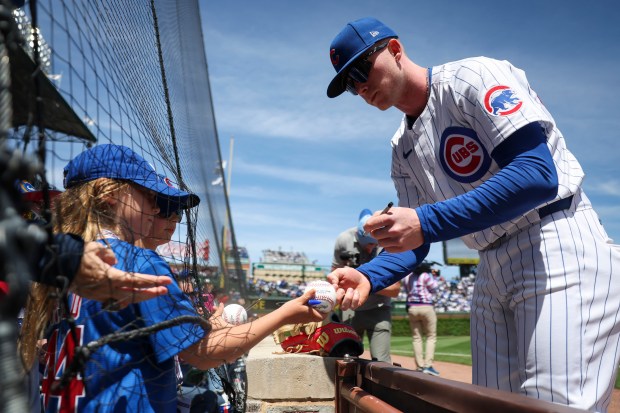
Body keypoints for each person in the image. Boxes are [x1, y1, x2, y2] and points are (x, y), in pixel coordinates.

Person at [325, 17, 620, 411]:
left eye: (362, 69)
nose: (360, 86)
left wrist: (426, 221)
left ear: (395, 50)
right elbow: (415, 243)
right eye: (349, 83)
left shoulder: (472, 77)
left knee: (556, 405)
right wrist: (367, 274)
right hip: (491, 262)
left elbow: (536, 174)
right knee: (487, 405)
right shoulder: (401, 148)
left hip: (556, 237)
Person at [39, 144, 327, 412]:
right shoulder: (136, 260)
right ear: (110, 196)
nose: (154, 208)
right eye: (148, 196)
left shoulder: (54, 261)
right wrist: (285, 314)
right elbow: (202, 354)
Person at [331, 208, 399, 363]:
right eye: (367, 244)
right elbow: (333, 276)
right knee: (346, 359)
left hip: (378, 309)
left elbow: (395, 290)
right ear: (358, 235)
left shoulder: (387, 242)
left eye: (374, 244)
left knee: (382, 362)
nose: (370, 248)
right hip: (349, 309)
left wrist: (365, 282)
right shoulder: (343, 239)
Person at [402, 262, 439, 376]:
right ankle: (428, 366)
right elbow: (434, 288)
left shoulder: (407, 277)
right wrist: (435, 276)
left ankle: (419, 366)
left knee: (416, 338)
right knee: (430, 337)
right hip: (426, 307)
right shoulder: (425, 276)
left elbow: (406, 290)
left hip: (413, 308)